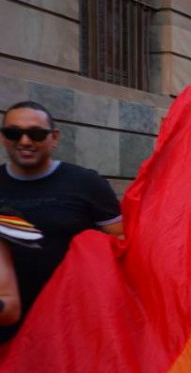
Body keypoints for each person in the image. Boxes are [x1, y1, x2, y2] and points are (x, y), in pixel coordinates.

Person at [0, 101, 123, 342]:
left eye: (36, 134)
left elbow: (122, 241)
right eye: (14, 133)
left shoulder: (86, 183)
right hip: (7, 328)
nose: (24, 141)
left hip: (72, 327)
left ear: (54, 137)